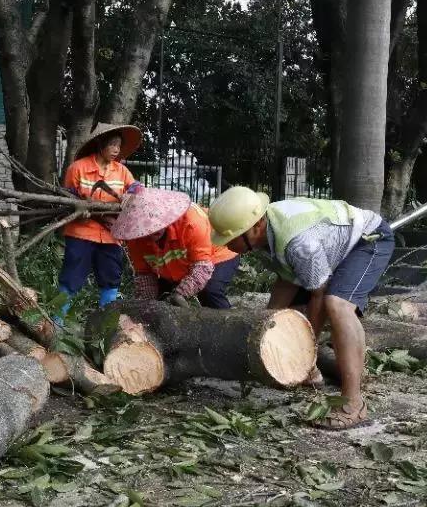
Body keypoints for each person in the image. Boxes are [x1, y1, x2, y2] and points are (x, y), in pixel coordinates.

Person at [208, 187, 394, 430]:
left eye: (232, 237)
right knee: (286, 315)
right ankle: (309, 372)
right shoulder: (269, 233)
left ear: (255, 226)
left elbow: (318, 294)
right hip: (329, 250)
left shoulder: (298, 243)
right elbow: (287, 280)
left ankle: (353, 403)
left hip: (368, 239)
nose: (227, 244)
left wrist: (307, 351)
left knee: (337, 305)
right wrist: (265, 325)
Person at [58, 123, 144, 320]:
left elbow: (136, 187)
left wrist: (132, 194)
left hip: (110, 234)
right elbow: (67, 199)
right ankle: (57, 322)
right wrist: (79, 208)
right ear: (100, 144)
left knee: (111, 278)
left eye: (119, 145)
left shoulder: (122, 171)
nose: (116, 150)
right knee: (71, 278)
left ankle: (105, 325)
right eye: (112, 144)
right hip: (81, 233)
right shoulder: (78, 168)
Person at [110, 188, 240, 309]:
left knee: (210, 291)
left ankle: (230, 323)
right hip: (175, 265)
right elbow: (145, 275)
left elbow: (202, 268)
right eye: (147, 227)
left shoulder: (191, 223)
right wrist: (145, 306)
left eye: (157, 223)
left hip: (216, 254)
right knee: (159, 299)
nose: (153, 229)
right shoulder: (134, 239)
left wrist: (181, 293)